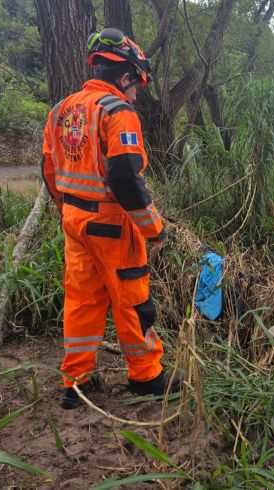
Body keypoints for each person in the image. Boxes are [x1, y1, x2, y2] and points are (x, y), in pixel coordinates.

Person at [41, 27, 181, 409]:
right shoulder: (118, 112)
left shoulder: (61, 110)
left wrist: (64, 207)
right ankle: (146, 376)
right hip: (113, 225)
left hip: (73, 221)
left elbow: (49, 169)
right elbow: (124, 179)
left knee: (82, 302)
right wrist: (154, 227)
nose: (136, 93)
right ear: (124, 76)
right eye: (136, 85)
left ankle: (76, 381)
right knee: (133, 301)